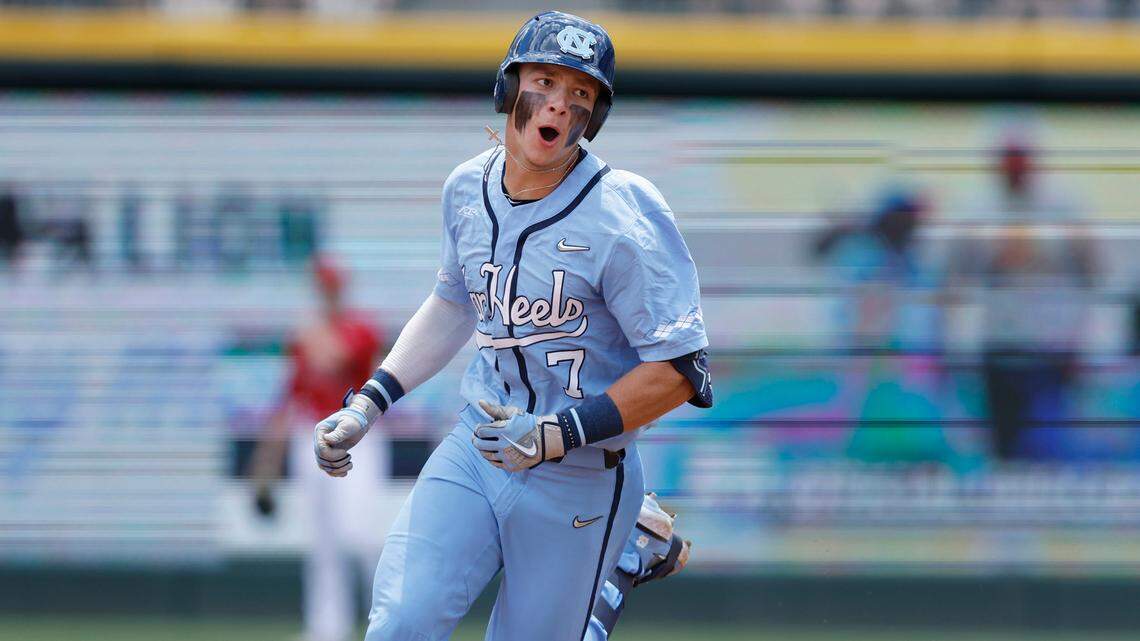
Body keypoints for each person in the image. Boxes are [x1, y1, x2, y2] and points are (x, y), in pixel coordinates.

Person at [311, 12, 711, 641]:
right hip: (480, 445)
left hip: (580, 471)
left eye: (580, 94)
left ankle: (622, 556)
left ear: (595, 117)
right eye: (545, 82)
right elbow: (452, 303)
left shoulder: (622, 212)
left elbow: (680, 372)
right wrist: (368, 403)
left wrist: (555, 435)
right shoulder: (467, 187)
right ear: (508, 89)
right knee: (400, 626)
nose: (559, 104)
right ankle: (628, 548)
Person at [252, 257, 387, 641]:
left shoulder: (360, 329)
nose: (326, 291)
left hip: (357, 434)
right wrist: (266, 465)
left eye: (331, 285)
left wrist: (313, 337)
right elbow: (289, 398)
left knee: (361, 532)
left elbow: (346, 361)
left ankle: (388, 621)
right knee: (322, 539)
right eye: (322, 285)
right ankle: (326, 629)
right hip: (311, 434)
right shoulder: (305, 336)